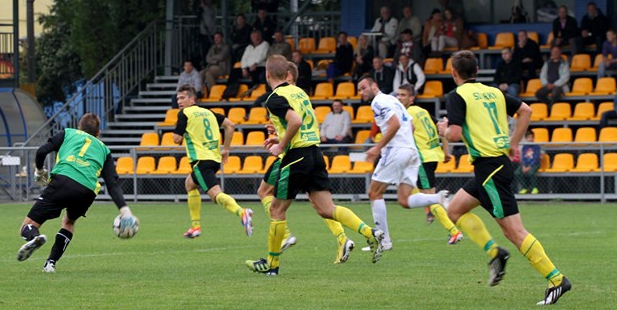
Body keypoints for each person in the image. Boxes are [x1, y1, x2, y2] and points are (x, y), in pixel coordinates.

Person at [437, 50, 571, 306]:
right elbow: (526, 111)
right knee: (454, 210)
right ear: (477, 70)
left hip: (490, 170)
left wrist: (443, 129)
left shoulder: (457, 95)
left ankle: (556, 279)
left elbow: (453, 134)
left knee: (515, 232)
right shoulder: (494, 92)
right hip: (492, 166)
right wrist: (514, 143)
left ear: (454, 72)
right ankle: (495, 253)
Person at [246, 56, 384, 275]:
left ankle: (272, 265)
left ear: (267, 74)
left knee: (276, 209)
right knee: (326, 209)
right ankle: (370, 232)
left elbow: (296, 121)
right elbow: (303, 122)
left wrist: (281, 145)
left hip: (297, 156)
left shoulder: (275, 97)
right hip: (314, 153)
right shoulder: (299, 92)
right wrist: (281, 137)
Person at [16, 113, 136, 273]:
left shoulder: (68, 133)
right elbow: (112, 184)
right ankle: (50, 264)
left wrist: (39, 171)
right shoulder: (104, 150)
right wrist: (124, 210)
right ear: (98, 133)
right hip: (86, 191)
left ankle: (34, 237)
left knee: (27, 225)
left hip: (62, 180)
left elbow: (41, 151)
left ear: (79, 127)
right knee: (69, 222)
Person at [357, 76, 449, 251]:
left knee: (374, 192)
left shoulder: (378, 102)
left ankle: (384, 242)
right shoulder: (393, 100)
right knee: (404, 200)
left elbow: (395, 124)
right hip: (411, 151)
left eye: (363, 88)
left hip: (396, 150)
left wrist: (377, 148)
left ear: (374, 85)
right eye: (359, 90)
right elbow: (411, 126)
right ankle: (438, 198)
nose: (361, 92)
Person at [171, 84, 252, 239]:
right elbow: (230, 125)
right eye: (178, 99)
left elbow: (176, 139)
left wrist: (180, 133)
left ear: (192, 98)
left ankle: (242, 212)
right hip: (213, 159)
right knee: (189, 184)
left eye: (182, 98)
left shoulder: (184, 114)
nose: (179, 101)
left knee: (215, 194)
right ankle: (195, 227)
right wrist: (226, 149)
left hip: (200, 160)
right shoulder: (209, 112)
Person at [395, 83, 462, 245]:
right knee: (419, 194)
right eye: (398, 95)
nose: (399, 98)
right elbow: (442, 127)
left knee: (431, 198)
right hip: (430, 157)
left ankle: (454, 231)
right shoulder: (423, 111)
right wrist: (446, 152)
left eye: (403, 95)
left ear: (412, 98)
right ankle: (436, 214)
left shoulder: (407, 114)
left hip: (423, 159)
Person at [226, 29, 269, 93]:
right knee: (234, 72)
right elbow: (244, 59)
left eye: (258, 36)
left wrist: (255, 64)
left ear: (261, 36)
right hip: (248, 68)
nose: (256, 38)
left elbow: (262, 56)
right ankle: (230, 91)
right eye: (254, 37)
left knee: (256, 74)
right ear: (251, 38)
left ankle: (252, 92)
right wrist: (244, 69)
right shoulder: (249, 47)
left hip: (259, 66)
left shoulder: (265, 44)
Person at [515, 131, 542, 195]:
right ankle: (524, 188)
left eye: (532, 137)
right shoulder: (525, 147)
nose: (530, 139)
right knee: (517, 173)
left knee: (530, 172)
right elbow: (523, 157)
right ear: (526, 138)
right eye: (529, 137)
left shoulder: (536, 146)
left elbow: (536, 158)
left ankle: (534, 188)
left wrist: (529, 167)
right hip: (526, 164)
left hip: (535, 164)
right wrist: (524, 166)